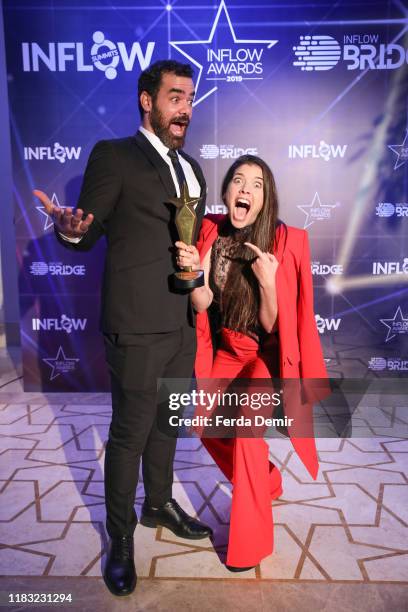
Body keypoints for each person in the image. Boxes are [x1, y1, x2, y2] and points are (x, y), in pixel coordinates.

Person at [33, 59, 212, 597]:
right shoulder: (114, 156)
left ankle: (158, 506)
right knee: (130, 436)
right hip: (134, 327)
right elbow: (88, 232)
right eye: (175, 97)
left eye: (189, 99)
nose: (185, 108)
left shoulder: (194, 170)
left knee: (168, 426)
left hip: (182, 325)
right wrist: (69, 229)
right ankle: (121, 539)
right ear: (147, 101)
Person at [176, 155, 328, 571]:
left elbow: (272, 324)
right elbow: (204, 301)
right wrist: (192, 277)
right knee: (206, 428)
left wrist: (267, 283)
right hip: (226, 350)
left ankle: (250, 545)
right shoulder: (210, 232)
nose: (245, 189)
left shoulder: (285, 241)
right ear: (225, 192)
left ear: (266, 199)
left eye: (256, 185)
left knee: (244, 432)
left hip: (262, 354)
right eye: (238, 181)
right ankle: (267, 480)